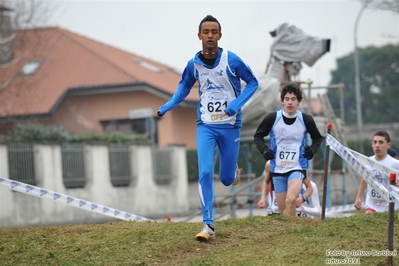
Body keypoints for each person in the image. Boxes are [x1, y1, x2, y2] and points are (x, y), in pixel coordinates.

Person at [157, 15, 258, 241]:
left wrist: (235, 105)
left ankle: (232, 172)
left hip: (231, 126)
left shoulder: (232, 60)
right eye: (206, 32)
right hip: (206, 125)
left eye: (214, 32)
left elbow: (253, 82)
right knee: (204, 172)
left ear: (219, 36)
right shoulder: (193, 65)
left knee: (225, 178)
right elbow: (183, 88)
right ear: (199, 36)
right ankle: (208, 225)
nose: (210, 35)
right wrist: (167, 106)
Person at [253, 82, 324, 216]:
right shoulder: (272, 118)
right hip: (278, 169)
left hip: (297, 166)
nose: (290, 102)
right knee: (283, 211)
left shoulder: (306, 119)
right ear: (282, 101)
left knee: (291, 199)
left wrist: (312, 149)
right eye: (287, 99)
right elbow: (258, 136)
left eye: (293, 99)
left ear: (299, 102)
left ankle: (291, 231)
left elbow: (318, 138)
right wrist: (265, 150)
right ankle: (292, 233)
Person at [354, 131, 399, 213]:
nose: (377, 145)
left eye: (381, 142)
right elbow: (365, 179)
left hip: (391, 206)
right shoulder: (368, 161)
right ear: (372, 144)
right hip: (372, 206)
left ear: (388, 145)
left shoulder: (395, 163)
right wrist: (358, 197)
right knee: (368, 222)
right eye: (375, 142)